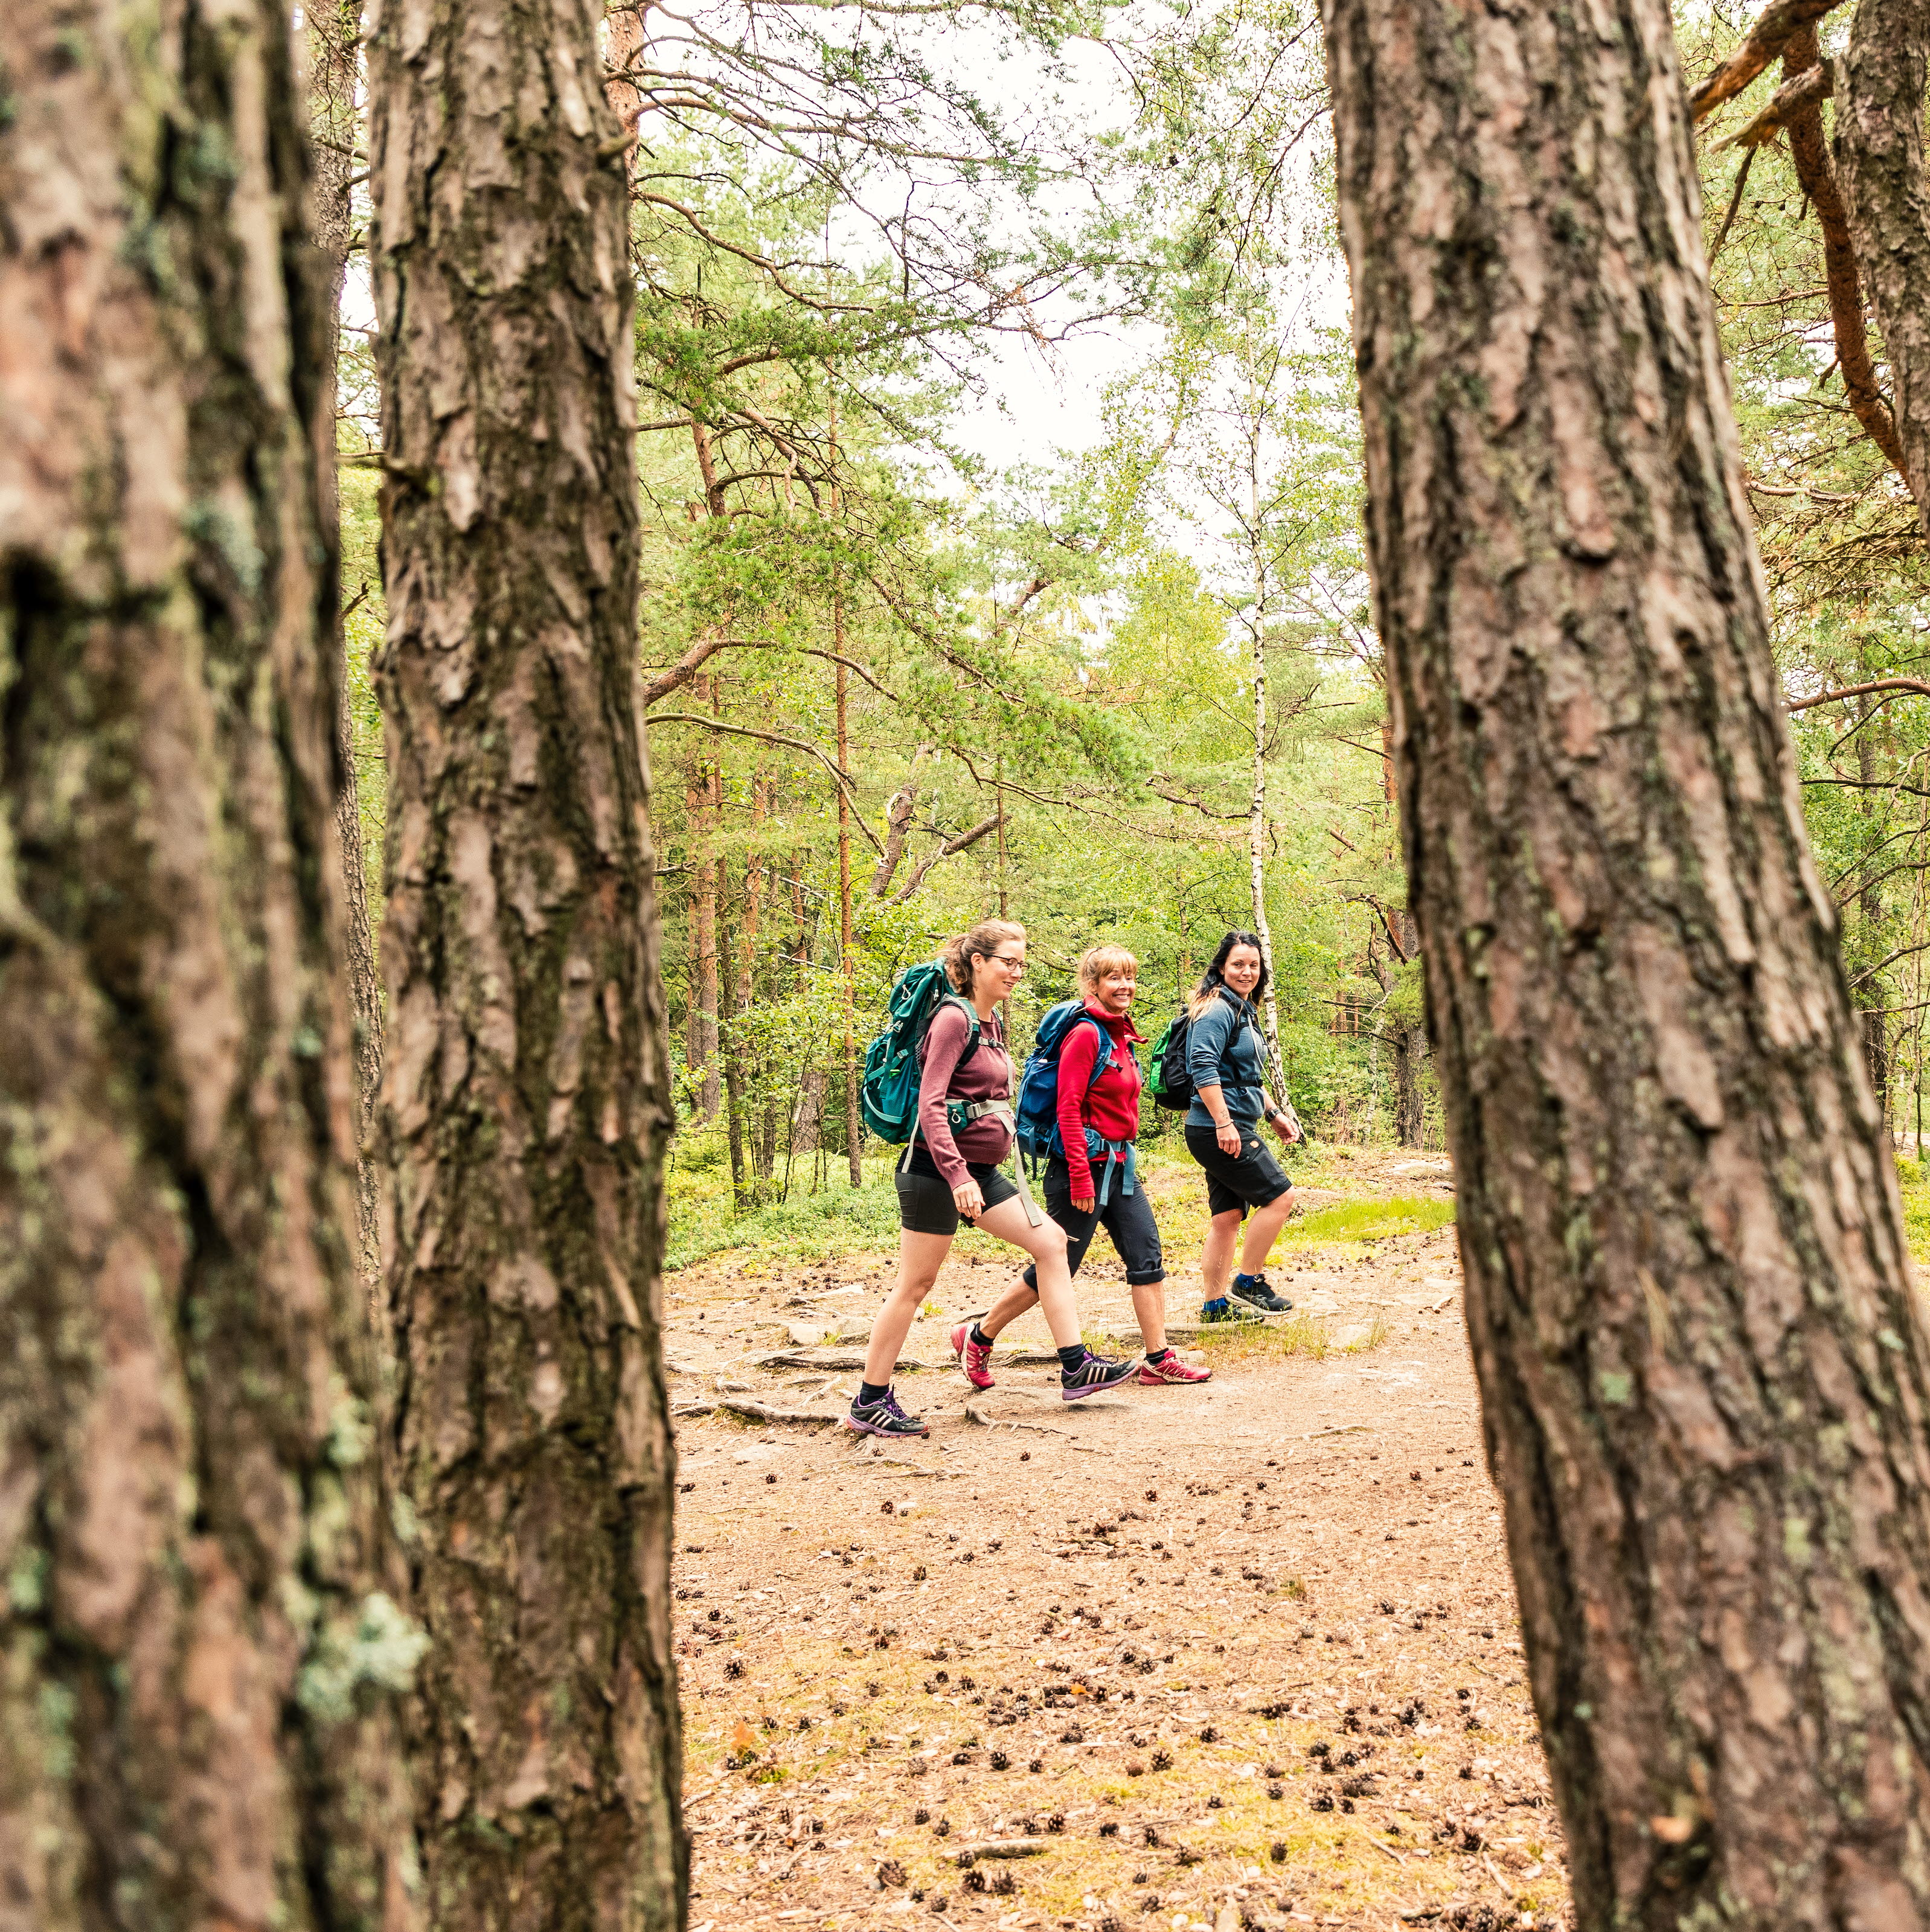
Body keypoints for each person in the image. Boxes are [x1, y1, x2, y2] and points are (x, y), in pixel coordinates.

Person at [849, 920, 1140, 1438]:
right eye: (1008, 961)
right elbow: (931, 1105)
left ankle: (1075, 1365)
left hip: (980, 1173)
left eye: (1021, 962)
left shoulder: (991, 1023)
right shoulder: (952, 1020)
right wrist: (958, 1174)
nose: (1016, 971)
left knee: (1052, 1243)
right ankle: (870, 1399)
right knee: (915, 1286)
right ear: (978, 962)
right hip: (935, 1171)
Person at [953, 943, 1210, 1389]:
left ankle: (1158, 1357)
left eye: (1129, 977)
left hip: (1120, 1165)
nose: (1125, 985)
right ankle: (978, 1335)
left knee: (1145, 1253)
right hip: (1082, 1169)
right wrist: (1077, 1174)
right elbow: (1068, 1109)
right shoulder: (1087, 1034)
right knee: (1059, 1265)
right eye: (1114, 977)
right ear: (1092, 985)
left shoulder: (1120, 1033)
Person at [1184, 931, 1303, 1321]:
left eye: (1253, 965)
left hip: (1227, 1124)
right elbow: (1202, 1067)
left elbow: (1245, 1076)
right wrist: (1224, 1123)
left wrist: (1273, 1114)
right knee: (1280, 1197)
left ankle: (1215, 1305)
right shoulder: (1218, 1009)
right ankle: (1249, 1283)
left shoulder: (1241, 1009)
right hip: (1218, 1127)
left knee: (1227, 1217)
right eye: (1238, 964)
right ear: (1221, 967)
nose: (1247, 972)